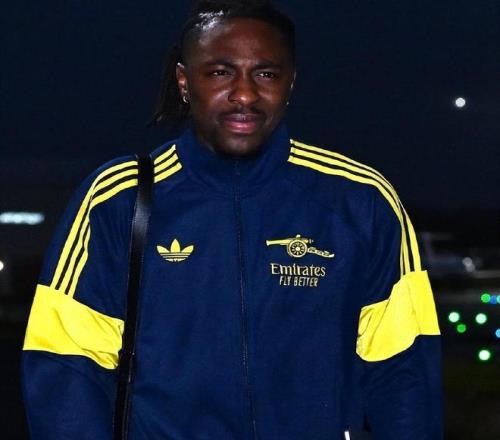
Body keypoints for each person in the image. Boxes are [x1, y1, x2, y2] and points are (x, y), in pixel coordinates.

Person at [22, 0, 442, 438]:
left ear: (291, 82)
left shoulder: (360, 200)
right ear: (185, 81)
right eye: (221, 72)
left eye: (266, 74)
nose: (245, 94)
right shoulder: (119, 198)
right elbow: (65, 363)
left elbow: (403, 369)